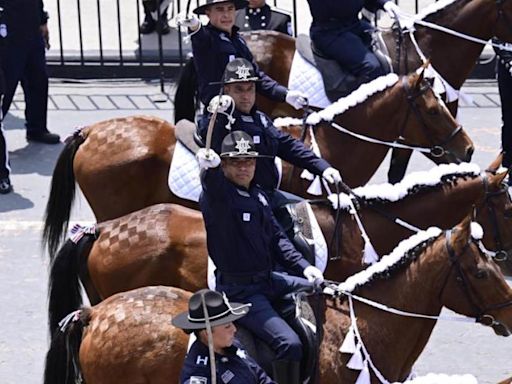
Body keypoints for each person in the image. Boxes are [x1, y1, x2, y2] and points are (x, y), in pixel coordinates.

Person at [197, 130, 325, 384]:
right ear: (224, 164)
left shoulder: (258, 196)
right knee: (289, 344)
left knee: (325, 291)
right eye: (236, 162)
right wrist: (208, 171)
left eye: (249, 161)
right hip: (241, 292)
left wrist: (304, 267)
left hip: (269, 280)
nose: (244, 168)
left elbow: (278, 239)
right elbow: (213, 188)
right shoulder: (220, 198)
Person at [198, 58, 342, 206]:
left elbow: (287, 146)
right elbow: (208, 133)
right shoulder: (224, 119)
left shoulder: (261, 119)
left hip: (267, 195)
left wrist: (322, 167)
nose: (246, 96)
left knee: (307, 214)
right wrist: (219, 116)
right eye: (239, 89)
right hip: (239, 201)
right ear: (227, 90)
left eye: (250, 89)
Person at [176, 0, 306, 112]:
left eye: (230, 9)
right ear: (208, 13)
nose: (226, 15)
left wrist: (285, 94)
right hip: (220, 116)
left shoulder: (239, 41)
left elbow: (257, 77)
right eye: (220, 9)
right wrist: (195, 26)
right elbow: (200, 37)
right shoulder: (208, 39)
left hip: (247, 113)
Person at [0, 0, 60, 193]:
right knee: (6, 86)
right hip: (8, 32)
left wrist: (42, 21)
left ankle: (36, 128)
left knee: (38, 80)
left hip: (31, 30)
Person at [173, 289, 276, 384]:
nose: (234, 329)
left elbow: (260, 377)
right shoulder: (199, 373)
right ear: (207, 333)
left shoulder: (234, 346)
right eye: (227, 326)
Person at [306, 0, 401, 88]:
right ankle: (359, 105)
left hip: (354, 24)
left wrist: (385, 3)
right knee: (372, 67)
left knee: (393, 48)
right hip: (329, 32)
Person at [493, 39, 512, 182]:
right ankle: (507, 164)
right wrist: (510, 62)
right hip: (507, 72)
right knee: (509, 120)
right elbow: (496, 39)